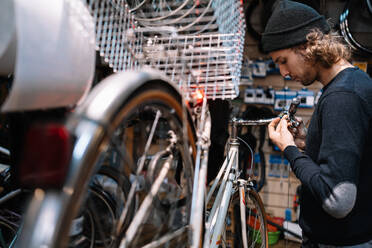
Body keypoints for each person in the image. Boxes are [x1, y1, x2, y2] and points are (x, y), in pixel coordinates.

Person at [262, 0, 372, 247]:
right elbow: (353, 160)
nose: (283, 73)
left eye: (283, 60)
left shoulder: (343, 98)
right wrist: (307, 142)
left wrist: (289, 150)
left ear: (307, 46)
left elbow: (338, 200)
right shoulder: (352, 83)